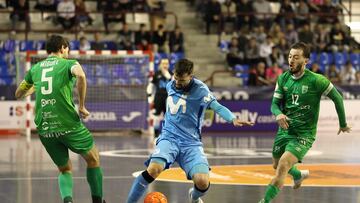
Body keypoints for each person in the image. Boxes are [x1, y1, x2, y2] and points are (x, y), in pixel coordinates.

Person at [126, 59, 254, 203]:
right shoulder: (170, 85)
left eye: (182, 80)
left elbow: (217, 107)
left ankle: (194, 197)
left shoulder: (201, 90)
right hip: (169, 138)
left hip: (191, 143)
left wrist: (232, 119)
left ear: (191, 76)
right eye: (176, 78)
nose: (178, 83)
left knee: (202, 182)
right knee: (153, 169)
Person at [15, 35, 105, 203]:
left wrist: (35, 87)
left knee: (64, 169)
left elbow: (18, 94)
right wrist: (82, 106)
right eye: (68, 49)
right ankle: (98, 201)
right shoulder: (69, 63)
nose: (68, 52)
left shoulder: (35, 69)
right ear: (63, 48)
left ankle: (68, 201)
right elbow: (82, 76)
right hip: (68, 124)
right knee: (93, 159)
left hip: (45, 128)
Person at [259, 42, 351, 203]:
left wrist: (342, 124)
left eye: (296, 57)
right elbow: (274, 104)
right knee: (276, 164)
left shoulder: (316, 80)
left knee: (282, 166)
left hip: (303, 135)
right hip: (285, 130)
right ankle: (299, 174)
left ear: (306, 60)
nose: (291, 60)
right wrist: (278, 113)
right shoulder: (283, 78)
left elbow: (337, 97)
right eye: (289, 56)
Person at [148, 58, 172, 137]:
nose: (165, 65)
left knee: (168, 116)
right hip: (158, 97)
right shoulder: (157, 74)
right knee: (156, 115)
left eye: (166, 63)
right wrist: (149, 95)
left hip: (168, 98)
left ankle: (167, 133)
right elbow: (151, 85)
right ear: (160, 65)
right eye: (163, 63)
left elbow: (175, 85)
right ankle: (156, 133)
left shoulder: (171, 74)